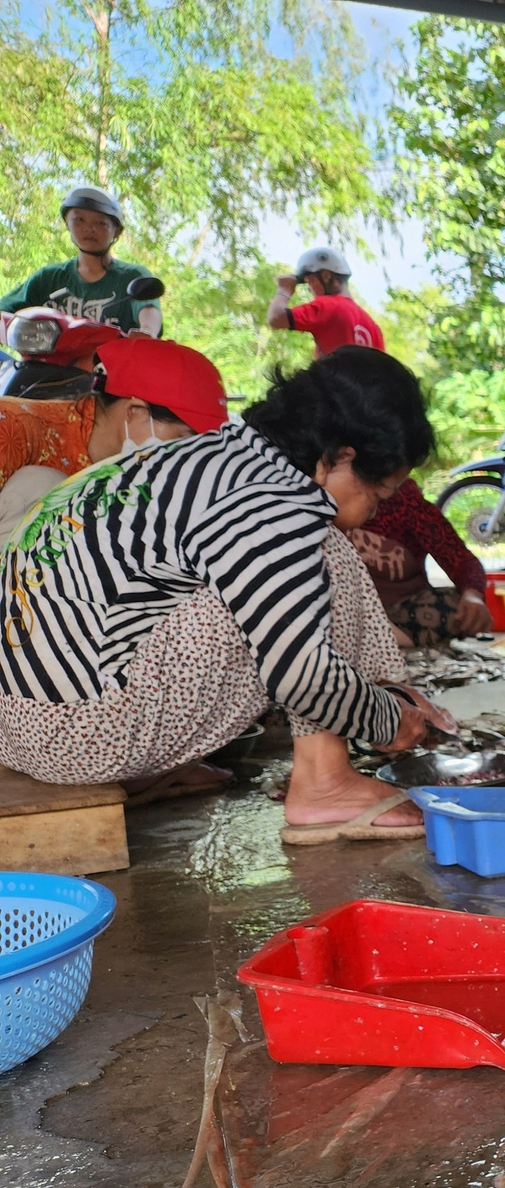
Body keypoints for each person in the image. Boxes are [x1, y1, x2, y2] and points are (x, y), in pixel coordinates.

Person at [0, 345, 455, 842]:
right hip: (76, 740)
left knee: (290, 570)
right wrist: (388, 720)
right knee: (324, 553)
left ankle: (170, 762)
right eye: (379, 493)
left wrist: (376, 694)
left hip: (18, 728)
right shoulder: (273, 503)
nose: (374, 512)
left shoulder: (204, 457)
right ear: (341, 457)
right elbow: (300, 677)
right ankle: (325, 781)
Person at [0, 339, 228, 527]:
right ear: (135, 411)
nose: (187, 457)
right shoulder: (11, 427)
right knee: (42, 485)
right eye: (182, 440)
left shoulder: (135, 480)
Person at [348, 480, 494, 647]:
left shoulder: (406, 501)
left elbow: (461, 560)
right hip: (346, 614)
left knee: (450, 606)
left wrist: (472, 595)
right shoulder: (321, 507)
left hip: (402, 613)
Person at [0, 187, 161, 335]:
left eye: (101, 223)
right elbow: (5, 309)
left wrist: (147, 331)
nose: (90, 228)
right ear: (67, 224)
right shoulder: (48, 278)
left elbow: (148, 309)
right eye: (79, 220)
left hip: (108, 365)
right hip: (46, 364)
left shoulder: (132, 277)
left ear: (116, 231)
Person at [267, 247, 383, 358]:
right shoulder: (373, 327)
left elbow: (276, 318)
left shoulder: (328, 305)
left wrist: (284, 290)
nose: (309, 288)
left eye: (310, 281)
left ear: (326, 276)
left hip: (333, 378)